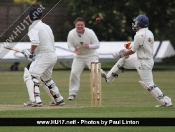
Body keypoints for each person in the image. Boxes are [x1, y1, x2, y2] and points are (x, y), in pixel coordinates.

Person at [101, 14, 173, 107]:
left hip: (143, 62)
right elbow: (136, 46)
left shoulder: (139, 35)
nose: (134, 24)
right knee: (124, 61)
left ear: (139, 24)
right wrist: (125, 52)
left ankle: (166, 102)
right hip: (142, 59)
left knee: (148, 84)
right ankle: (109, 77)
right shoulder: (149, 32)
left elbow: (132, 51)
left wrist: (121, 53)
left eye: (136, 23)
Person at [22, 7, 65, 107]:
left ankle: (35, 100)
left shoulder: (33, 27)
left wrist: (31, 52)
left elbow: (35, 42)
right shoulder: (46, 26)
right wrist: (33, 53)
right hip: (52, 55)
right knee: (46, 78)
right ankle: (58, 99)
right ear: (42, 17)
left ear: (29, 18)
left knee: (31, 75)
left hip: (44, 55)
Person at [67, 17, 100, 100]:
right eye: (78, 25)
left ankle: (97, 93)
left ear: (84, 25)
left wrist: (89, 46)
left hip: (91, 55)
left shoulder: (90, 32)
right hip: (79, 56)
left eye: (81, 25)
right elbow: (69, 46)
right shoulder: (71, 33)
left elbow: (97, 45)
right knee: (74, 73)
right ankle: (72, 93)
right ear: (75, 25)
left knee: (95, 73)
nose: (80, 26)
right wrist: (74, 50)